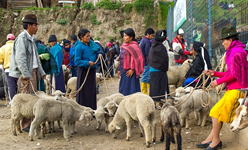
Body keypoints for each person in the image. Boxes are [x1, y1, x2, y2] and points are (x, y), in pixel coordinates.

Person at [196, 26, 248, 150]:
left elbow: (234, 75)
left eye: (224, 40)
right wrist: (215, 73)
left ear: (230, 40)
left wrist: (218, 81)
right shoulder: (235, 51)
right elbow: (231, 73)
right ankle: (212, 139)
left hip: (238, 91)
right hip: (233, 89)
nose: (222, 43)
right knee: (216, 112)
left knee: (215, 112)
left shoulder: (236, 53)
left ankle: (216, 141)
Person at [9, 14, 46, 132]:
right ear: (29, 26)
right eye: (35, 25)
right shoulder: (22, 39)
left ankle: (29, 123)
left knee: (32, 98)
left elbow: (35, 58)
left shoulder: (31, 39)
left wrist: (42, 72)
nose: (37, 28)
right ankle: (24, 125)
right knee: (26, 99)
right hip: (26, 74)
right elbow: (20, 58)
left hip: (33, 71)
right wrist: (25, 74)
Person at [74, 28, 102, 110]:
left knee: (91, 91)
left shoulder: (91, 44)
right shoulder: (79, 47)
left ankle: (92, 109)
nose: (89, 37)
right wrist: (87, 63)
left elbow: (97, 50)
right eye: (87, 36)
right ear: (81, 37)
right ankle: (83, 110)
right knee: (84, 92)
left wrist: (99, 54)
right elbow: (77, 61)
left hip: (92, 70)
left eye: (89, 36)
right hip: (84, 71)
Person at [118, 28, 144, 96]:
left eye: (126, 36)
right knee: (123, 90)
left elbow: (137, 59)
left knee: (132, 91)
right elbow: (121, 58)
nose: (124, 38)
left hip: (131, 73)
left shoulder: (135, 46)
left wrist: (132, 69)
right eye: (123, 36)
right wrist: (119, 69)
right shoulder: (123, 46)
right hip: (123, 71)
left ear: (131, 37)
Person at [147, 30, 169, 109]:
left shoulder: (152, 47)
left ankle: (153, 103)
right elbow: (165, 59)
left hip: (152, 70)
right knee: (161, 88)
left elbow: (150, 59)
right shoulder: (162, 47)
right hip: (161, 71)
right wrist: (165, 68)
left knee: (153, 88)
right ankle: (160, 104)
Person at [0, 34, 16, 106]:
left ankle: (12, 102)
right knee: (20, 86)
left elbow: (0, 60)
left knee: (11, 86)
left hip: (8, 70)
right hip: (18, 69)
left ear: (7, 40)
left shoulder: (3, 48)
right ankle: (20, 102)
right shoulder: (17, 46)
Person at [139, 28, 155, 95]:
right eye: (151, 35)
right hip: (147, 62)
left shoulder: (142, 40)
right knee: (147, 76)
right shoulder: (147, 42)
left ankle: (144, 91)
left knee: (145, 75)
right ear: (147, 34)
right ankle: (146, 92)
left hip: (143, 62)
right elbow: (148, 53)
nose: (152, 37)